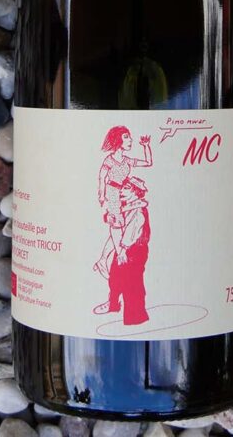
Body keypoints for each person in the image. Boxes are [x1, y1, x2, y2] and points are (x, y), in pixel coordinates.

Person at [94, 127, 152, 277]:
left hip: (124, 194)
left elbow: (148, 162)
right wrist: (102, 196)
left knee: (122, 225)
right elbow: (102, 177)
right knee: (117, 224)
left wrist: (146, 146)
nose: (130, 140)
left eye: (130, 137)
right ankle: (119, 256)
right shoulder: (109, 160)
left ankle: (103, 259)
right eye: (126, 137)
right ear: (117, 140)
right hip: (113, 193)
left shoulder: (127, 160)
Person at [93, 176, 151, 325]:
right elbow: (116, 233)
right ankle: (113, 304)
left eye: (126, 188)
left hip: (134, 251)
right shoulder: (124, 208)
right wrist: (104, 256)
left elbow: (132, 232)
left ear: (136, 192)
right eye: (122, 188)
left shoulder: (138, 211)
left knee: (132, 282)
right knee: (115, 276)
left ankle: (136, 316)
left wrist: (123, 251)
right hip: (122, 249)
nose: (121, 191)